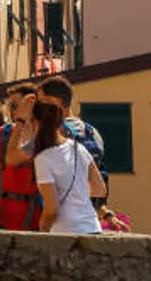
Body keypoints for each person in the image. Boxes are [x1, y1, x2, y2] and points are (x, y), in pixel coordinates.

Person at [33, 100, 105, 234]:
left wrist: (43, 226)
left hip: (65, 230)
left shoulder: (43, 159)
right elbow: (100, 189)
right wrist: (78, 193)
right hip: (92, 226)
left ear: (36, 124)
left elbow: (52, 209)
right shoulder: (80, 148)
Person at [0, 84, 40, 231]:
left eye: (15, 105)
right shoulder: (4, 133)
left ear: (31, 104)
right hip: (6, 213)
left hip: (35, 214)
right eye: (10, 105)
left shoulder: (44, 135)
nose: (12, 110)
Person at [36, 75, 107, 202]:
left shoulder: (55, 132)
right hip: (88, 210)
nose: (38, 108)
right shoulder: (92, 132)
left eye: (43, 103)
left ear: (60, 103)